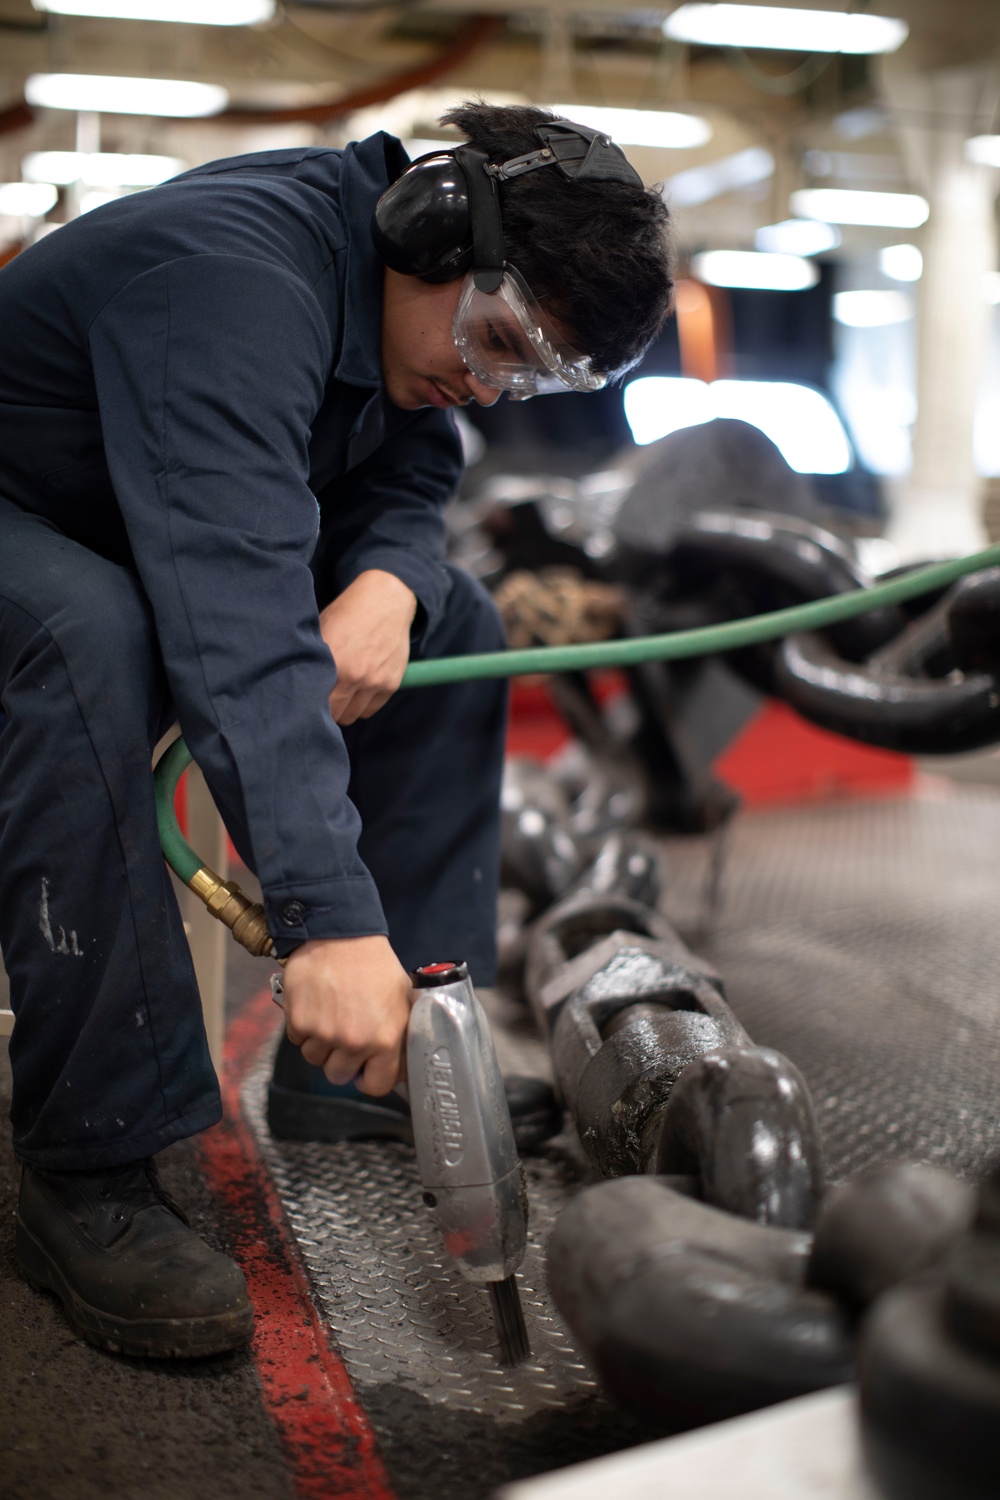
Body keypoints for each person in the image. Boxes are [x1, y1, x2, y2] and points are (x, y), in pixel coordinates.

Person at [0, 100, 674, 1359]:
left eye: (523, 372)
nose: (485, 380)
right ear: (430, 232)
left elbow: (416, 458)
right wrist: (325, 917)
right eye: (494, 340)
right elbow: (234, 603)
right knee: (88, 635)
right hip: (21, 520)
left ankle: (365, 1067)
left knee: (457, 616)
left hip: (126, 517)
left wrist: (395, 583)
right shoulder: (231, 283)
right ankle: (85, 1169)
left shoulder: (396, 297)